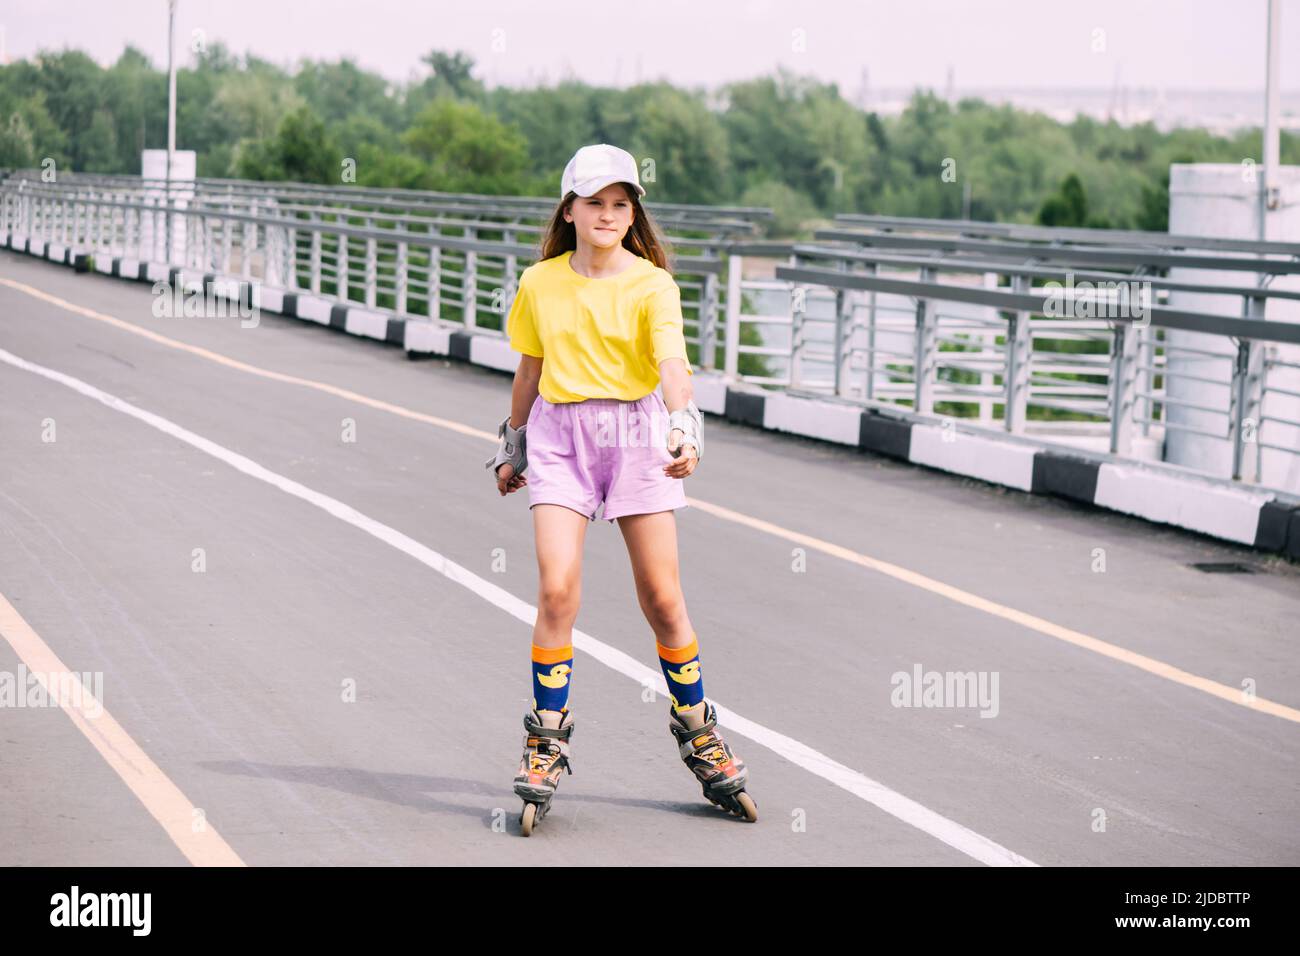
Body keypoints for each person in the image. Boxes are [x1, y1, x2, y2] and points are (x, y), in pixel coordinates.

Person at [484, 143, 756, 835]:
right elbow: (529, 370)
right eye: (594, 202)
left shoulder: (651, 284)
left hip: (636, 436)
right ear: (569, 209)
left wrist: (684, 427)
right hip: (560, 438)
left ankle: (699, 730)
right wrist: (513, 444)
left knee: (664, 599)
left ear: (632, 212)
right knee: (557, 589)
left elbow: (673, 365)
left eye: (620, 203)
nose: (608, 214)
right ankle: (545, 742)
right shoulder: (540, 281)